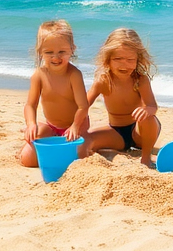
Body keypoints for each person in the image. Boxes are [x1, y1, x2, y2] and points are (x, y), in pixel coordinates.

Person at [82, 28, 162, 166]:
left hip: (141, 133)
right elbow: (82, 106)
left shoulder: (140, 80)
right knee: (86, 139)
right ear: (108, 59)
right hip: (116, 133)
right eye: (118, 59)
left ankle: (146, 158)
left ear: (138, 59)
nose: (124, 64)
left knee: (148, 117)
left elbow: (152, 106)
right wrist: (74, 125)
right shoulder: (103, 81)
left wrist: (147, 110)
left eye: (130, 59)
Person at [18, 19, 90, 167]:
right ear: (40, 52)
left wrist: (75, 126)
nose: (56, 57)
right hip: (51, 126)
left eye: (62, 52)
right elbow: (30, 105)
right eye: (49, 52)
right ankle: (33, 140)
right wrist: (31, 124)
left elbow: (83, 106)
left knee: (79, 157)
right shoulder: (39, 75)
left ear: (72, 49)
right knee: (27, 161)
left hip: (77, 124)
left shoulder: (74, 75)